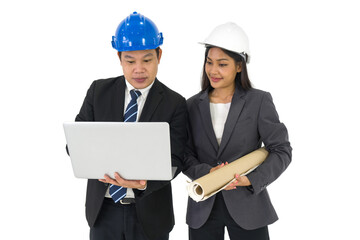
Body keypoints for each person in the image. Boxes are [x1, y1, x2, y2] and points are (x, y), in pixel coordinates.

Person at [71, 12, 187, 240]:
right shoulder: (98, 92)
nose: (139, 69)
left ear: (159, 55)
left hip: (150, 213)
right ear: (119, 58)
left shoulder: (175, 103)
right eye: (130, 61)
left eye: (147, 60)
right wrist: (86, 152)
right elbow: (76, 141)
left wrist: (144, 182)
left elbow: (177, 159)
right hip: (103, 212)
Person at [183, 22, 292, 240]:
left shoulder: (258, 101)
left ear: (239, 66)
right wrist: (207, 172)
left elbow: (281, 150)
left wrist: (251, 179)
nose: (213, 70)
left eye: (222, 64)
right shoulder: (191, 105)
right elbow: (184, 155)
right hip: (203, 206)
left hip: (248, 206)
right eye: (209, 62)